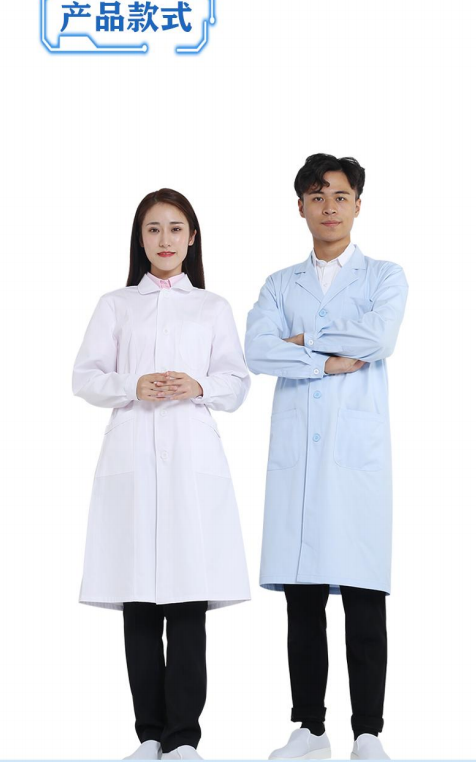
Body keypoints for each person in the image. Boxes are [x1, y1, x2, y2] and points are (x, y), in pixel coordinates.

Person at [72, 188, 252, 761]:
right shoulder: (116, 305)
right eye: (153, 229)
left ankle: (183, 740)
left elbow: (236, 382)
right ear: (140, 239)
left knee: (188, 604)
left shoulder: (213, 307)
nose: (165, 239)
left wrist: (199, 385)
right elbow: (84, 377)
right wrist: (133, 384)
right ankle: (149, 737)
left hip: (192, 465)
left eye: (176, 229)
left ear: (192, 238)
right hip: (132, 462)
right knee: (140, 605)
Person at [245, 154, 408, 761]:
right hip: (300, 458)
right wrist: (326, 361)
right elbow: (256, 350)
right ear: (301, 208)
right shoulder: (278, 284)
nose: (329, 208)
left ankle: (368, 732)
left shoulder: (384, 276)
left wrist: (304, 341)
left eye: (340, 196)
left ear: (358, 204)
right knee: (303, 598)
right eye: (317, 197)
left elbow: (380, 338)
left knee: (364, 596)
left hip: (356, 457)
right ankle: (309, 729)